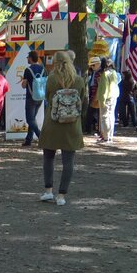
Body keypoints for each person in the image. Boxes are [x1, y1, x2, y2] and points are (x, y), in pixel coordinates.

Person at [36, 50, 87, 205]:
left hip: (53, 123)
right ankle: (62, 195)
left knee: (48, 157)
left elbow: (47, 97)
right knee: (68, 161)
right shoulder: (79, 80)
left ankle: (48, 191)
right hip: (72, 124)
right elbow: (83, 100)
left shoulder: (51, 79)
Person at [21, 51, 44, 146]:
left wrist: (24, 83)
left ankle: (41, 137)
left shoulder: (28, 70)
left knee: (30, 120)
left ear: (30, 58)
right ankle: (28, 140)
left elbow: (23, 85)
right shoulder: (43, 69)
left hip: (30, 97)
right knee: (33, 118)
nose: (27, 59)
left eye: (27, 57)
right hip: (40, 97)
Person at [96, 60, 119, 143]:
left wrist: (102, 99)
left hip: (106, 97)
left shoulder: (105, 74)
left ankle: (106, 136)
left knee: (104, 117)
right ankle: (110, 135)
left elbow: (104, 89)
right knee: (111, 116)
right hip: (114, 96)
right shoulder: (114, 73)